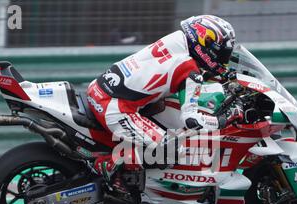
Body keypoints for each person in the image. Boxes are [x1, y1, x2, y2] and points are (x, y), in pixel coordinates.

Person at [86, 15, 243, 189]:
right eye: (220, 51)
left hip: (102, 87)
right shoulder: (190, 70)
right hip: (115, 107)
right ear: (204, 43)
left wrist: (221, 75)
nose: (223, 57)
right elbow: (190, 120)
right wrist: (223, 119)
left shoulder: (177, 40)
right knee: (173, 149)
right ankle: (104, 167)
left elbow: (170, 72)